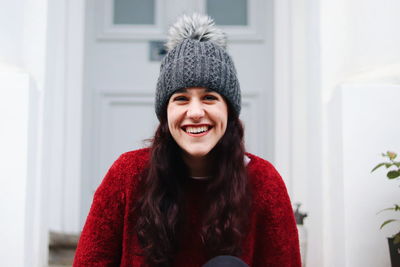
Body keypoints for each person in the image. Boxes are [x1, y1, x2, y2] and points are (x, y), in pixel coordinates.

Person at [73, 13, 301, 267]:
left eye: (209, 98)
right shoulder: (127, 174)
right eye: (181, 98)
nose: (194, 113)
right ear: (165, 112)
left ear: (229, 110)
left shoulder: (263, 181)